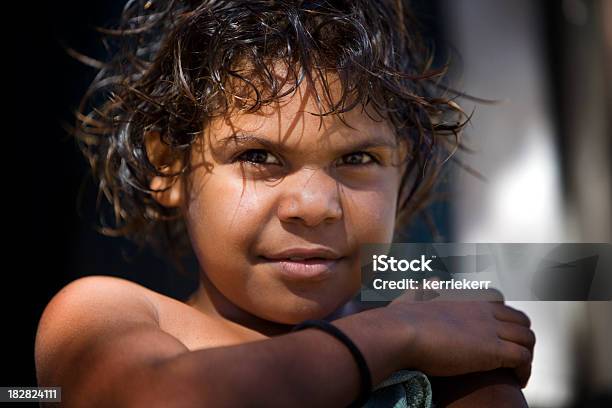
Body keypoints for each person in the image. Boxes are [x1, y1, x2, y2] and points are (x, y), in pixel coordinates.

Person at [35, 1, 535, 406]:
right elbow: (164, 396)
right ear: (168, 166)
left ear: (402, 172)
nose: (315, 205)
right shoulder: (108, 312)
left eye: (357, 157)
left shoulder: (436, 346)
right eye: (259, 156)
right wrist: (393, 333)